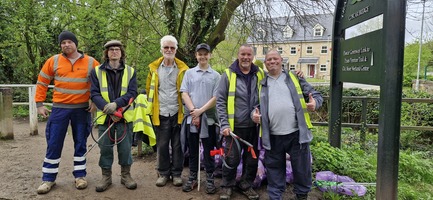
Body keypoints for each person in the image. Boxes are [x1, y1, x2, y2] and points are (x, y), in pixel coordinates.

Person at [252, 50, 323, 200]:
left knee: (302, 169)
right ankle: (275, 196)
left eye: (275, 58)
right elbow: (254, 106)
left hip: (297, 134)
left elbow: (315, 95)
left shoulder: (294, 77)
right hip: (272, 136)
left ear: (281, 60)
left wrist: (314, 103)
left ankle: (302, 195)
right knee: (274, 170)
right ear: (265, 63)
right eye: (269, 59)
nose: (272, 61)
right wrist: (254, 115)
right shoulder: (261, 83)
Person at [35, 31, 100, 194]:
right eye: (63, 43)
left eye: (69, 42)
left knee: (80, 143)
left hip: (82, 110)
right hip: (59, 109)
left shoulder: (92, 62)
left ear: (76, 44)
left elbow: (98, 84)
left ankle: (80, 176)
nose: (66, 45)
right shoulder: (53, 60)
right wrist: (39, 104)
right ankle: (48, 179)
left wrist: (95, 101)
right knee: (54, 143)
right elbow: (42, 82)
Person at [216, 44, 264, 200]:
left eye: (249, 55)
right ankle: (227, 186)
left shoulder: (260, 74)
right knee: (231, 159)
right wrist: (224, 124)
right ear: (238, 55)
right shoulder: (228, 74)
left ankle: (245, 184)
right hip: (233, 127)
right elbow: (221, 101)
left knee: (252, 159)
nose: (246, 57)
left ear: (253, 57)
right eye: (243, 54)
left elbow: (264, 97)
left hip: (254, 127)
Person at [90, 40, 138, 192]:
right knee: (105, 148)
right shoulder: (96, 71)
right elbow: (94, 93)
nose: (114, 52)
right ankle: (106, 177)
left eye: (117, 49)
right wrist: (107, 108)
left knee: (125, 148)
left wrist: (116, 106)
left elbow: (132, 93)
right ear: (107, 53)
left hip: (124, 117)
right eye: (111, 50)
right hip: (105, 116)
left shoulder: (130, 71)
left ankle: (126, 176)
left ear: (121, 52)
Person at [145, 35, 189, 187]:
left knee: (178, 145)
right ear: (161, 49)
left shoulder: (184, 69)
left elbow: (187, 91)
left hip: (178, 113)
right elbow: (149, 89)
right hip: (161, 112)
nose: (169, 50)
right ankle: (163, 174)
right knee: (162, 145)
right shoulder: (154, 69)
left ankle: (176, 174)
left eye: (172, 48)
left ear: (176, 50)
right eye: (166, 47)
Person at [180, 43, 220, 193]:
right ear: (196, 55)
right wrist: (193, 111)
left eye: (205, 54)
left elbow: (216, 97)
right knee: (192, 149)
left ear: (210, 55)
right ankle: (192, 177)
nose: (202, 56)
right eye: (200, 54)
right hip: (191, 119)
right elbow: (184, 93)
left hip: (208, 119)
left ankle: (209, 178)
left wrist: (200, 111)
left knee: (209, 149)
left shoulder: (216, 76)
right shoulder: (189, 73)